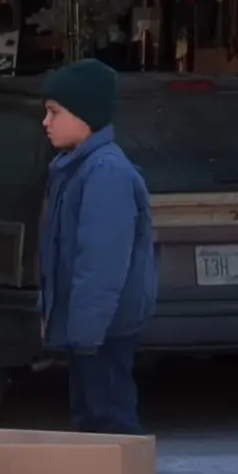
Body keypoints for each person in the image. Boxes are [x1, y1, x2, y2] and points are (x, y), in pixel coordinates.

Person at [37, 58, 157, 436]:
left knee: (110, 422)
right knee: (91, 423)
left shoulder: (104, 173)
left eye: (55, 112)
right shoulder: (73, 168)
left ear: (84, 115)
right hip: (90, 327)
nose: (46, 121)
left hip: (104, 328)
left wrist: (86, 334)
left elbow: (100, 264)